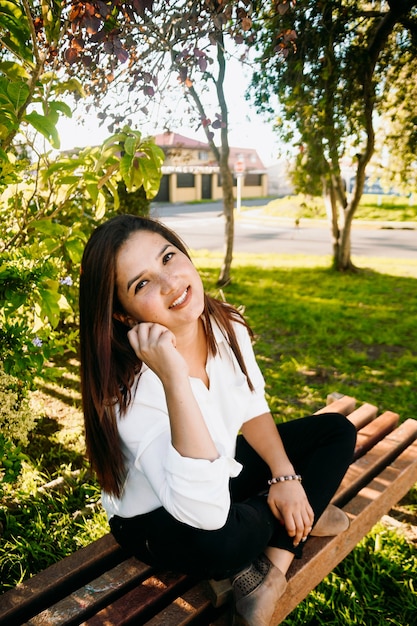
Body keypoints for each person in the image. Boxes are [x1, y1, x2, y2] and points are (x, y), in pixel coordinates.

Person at [79, 214, 357, 626]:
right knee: (224, 542)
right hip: (159, 518)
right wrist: (173, 377)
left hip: (220, 473)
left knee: (335, 431)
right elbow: (205, 513)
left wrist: (286, 477)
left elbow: (252, 406)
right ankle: (300, 514)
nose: (171, 283)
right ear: (123, 316)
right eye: (142, 284)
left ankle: (269, 575)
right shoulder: (126, 395)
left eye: (168, 257)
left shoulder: (225, 324)